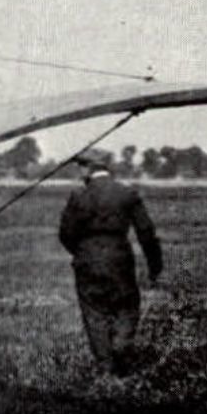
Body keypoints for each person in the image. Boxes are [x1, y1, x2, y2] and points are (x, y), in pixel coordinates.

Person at [57, 150, 163, 375]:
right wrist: (155, 266)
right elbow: (146, 232)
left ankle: (106, 367)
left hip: (86, 260)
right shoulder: (127, 193)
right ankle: (121, 346)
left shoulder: (78, 196)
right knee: (127, 305)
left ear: (87, 169)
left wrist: (82, 253)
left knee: (94, 312)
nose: (79, 173)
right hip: (119, 258)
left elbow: (65, 234)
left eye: (80, 168)